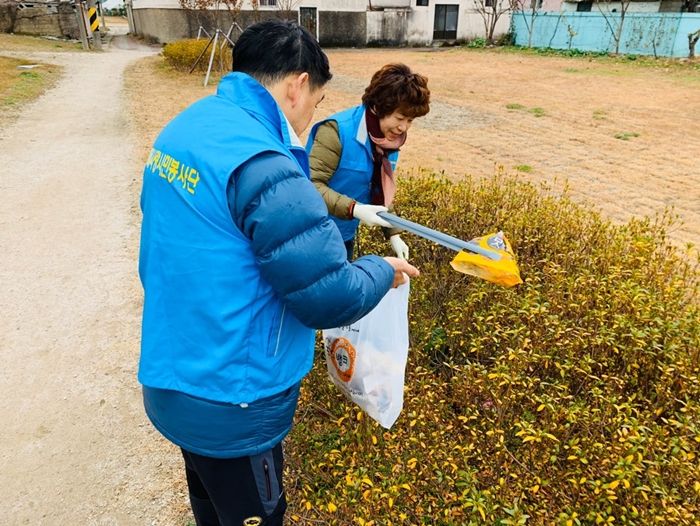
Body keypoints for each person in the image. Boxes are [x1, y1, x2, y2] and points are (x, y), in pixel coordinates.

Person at [137, 21, 419, 526]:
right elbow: (328, 295)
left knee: (209, 500)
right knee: (254, 512)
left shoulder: (186, 127)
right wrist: (381, 269)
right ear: (297, 83)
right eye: (318, 96)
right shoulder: (266, 163)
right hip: (234, 395)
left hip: (174, 369)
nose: (314, 110)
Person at [306, 63, 430, 261]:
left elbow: (379, 187)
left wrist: (394, 233)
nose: (403, 128)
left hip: (344, 237)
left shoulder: (387, 141)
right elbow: (309, 186)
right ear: (378, 107)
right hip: (310, 237)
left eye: (410, 121)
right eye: (400, 118)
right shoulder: (336, 132)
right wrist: (355, 209)